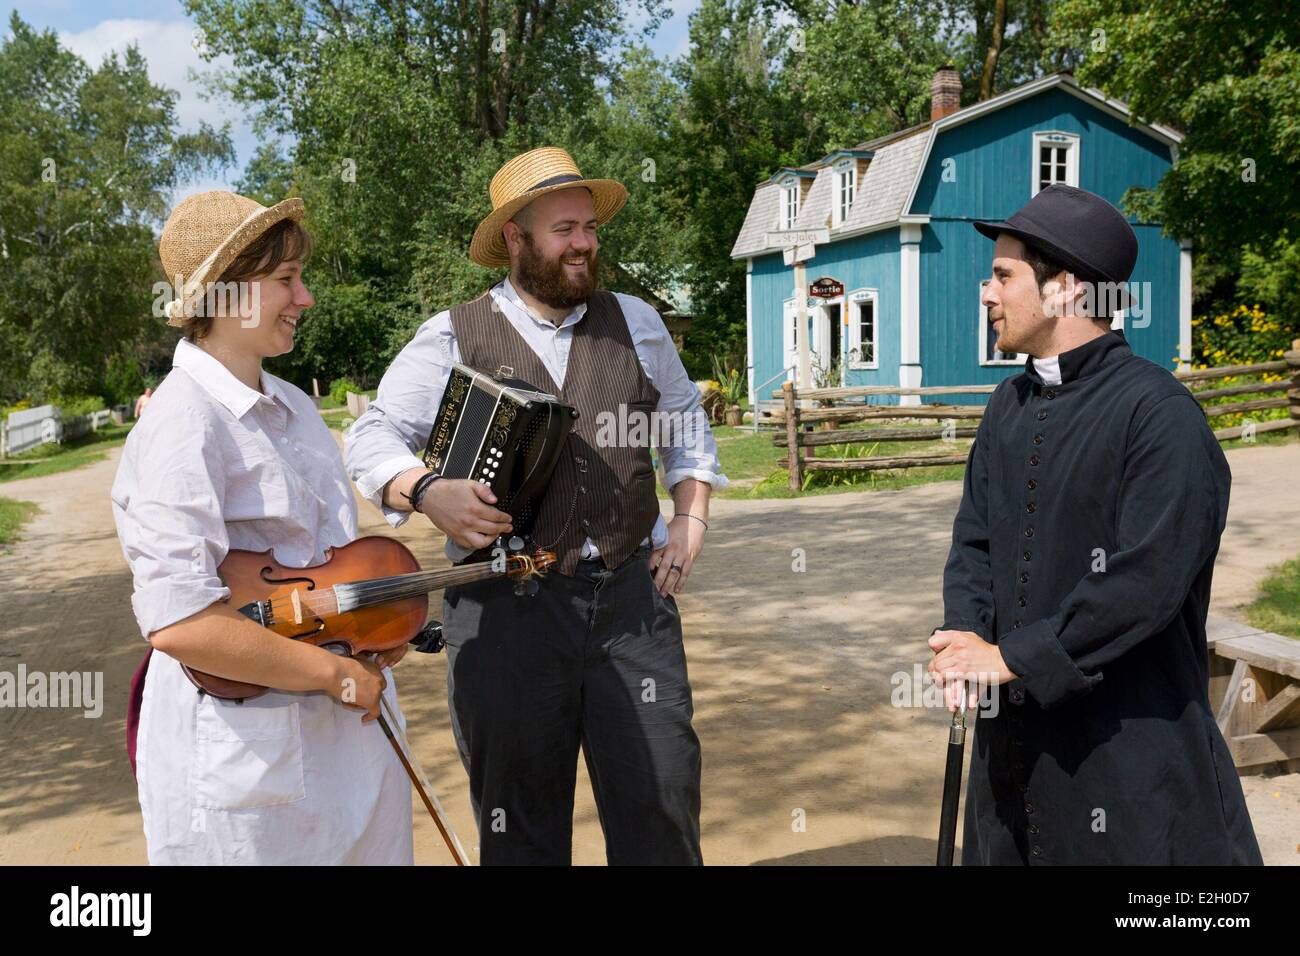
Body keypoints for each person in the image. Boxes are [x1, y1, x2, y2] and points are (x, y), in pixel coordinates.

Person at [345, 147, 726, 865]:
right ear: (515, 240)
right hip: (504, 617)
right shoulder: (453, 335)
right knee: (519, 830)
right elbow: (369, 435)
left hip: (631, 609)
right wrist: (427, 492)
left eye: (588, 226)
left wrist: (690, 516)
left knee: (663, 810)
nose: (583, 243)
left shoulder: (637, 322)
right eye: (563, 229)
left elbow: (685, 426)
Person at [928, 184, 1263, 865]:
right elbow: (975, 541)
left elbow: (1146, 583)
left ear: (1065, 290)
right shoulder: (1008, 404)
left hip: (1126, 758)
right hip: (1012, 754)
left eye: (1002, 275)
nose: (986, 294)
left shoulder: (1160, 417)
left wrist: (1012, 658)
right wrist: (965, 628)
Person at [111, 191, 413, 865]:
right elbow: (182, 622)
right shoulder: (182, 422)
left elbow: (318, 564)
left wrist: (367, 626)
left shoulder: (295, 406)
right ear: (226, 295)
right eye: (285, 280)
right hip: (246, 755)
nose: (304, 297)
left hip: (347, 743)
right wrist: (330, 675)